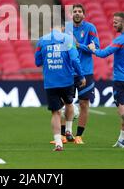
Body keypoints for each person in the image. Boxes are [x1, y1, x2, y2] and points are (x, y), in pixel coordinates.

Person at [91, 12, 124, 148]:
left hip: (120, 79)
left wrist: (92, 49)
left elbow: (103, 54)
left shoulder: (121, 40)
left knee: (122, 110)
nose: (113, 24)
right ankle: (121, 140)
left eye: (116, 22)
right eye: (113, 21)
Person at [35, 16, 86, 151]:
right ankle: (68, 129)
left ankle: (58, 143)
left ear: (50, 28)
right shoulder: (68, 39)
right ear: (63, 28)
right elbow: (75, 60)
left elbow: (37, 62)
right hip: (66, 80)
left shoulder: (42, 41)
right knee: (69, 103)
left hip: (50, 82)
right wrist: (81, 76)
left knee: (55, 112)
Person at [62, 3, 100, 144]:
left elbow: (96, 48)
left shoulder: (90, 28)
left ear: (83, 14)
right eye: (75, 11)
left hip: (85, 71)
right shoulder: (66, 29)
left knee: (84, 103)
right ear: (72, 14)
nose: (77, 13)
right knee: (65, 103)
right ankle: (64, 135)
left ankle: (79, 136)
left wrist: (79, 45)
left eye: (79, 11)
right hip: (68, 71)